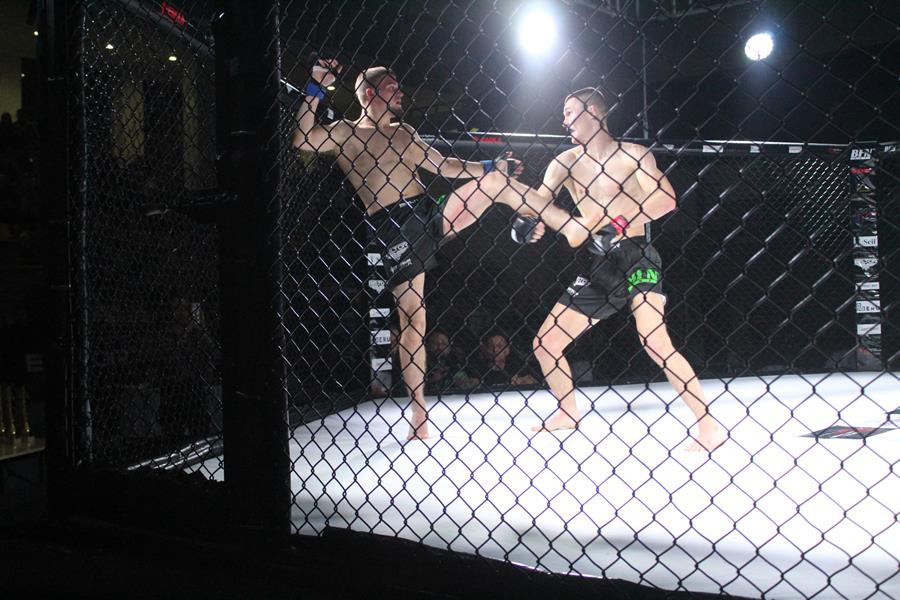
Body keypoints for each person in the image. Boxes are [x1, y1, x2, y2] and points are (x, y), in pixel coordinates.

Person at [292, 60, 543, 440]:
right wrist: (315, 87)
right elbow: (302, 139)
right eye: (392, 86)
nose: (401, 92)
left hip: (427, 212)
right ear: (370, 94)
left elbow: (443, 165)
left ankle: (536, 220)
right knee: (413, 318)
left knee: (494, 183)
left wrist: (491, 164)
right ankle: (419, 413)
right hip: (393, 228)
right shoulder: (345, 132)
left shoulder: (404, 132)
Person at [496, 88, 725, 452]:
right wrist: (526, 223)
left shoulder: (633, 154)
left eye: (569, 112)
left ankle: (707, 425)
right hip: (599, 262)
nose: (563, 121)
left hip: (636, 255)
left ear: (593, 112)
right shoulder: (564, 162)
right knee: (546, 343)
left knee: (654, 339)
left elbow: (665, 199)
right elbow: (539, 201)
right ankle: (567, 412)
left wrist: (617, 221)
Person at [464, 332, 540, 390]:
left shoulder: (519, 368)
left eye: (500, 346)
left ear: (507, 350)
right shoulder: (474, 369)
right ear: (484, 350)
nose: (495, 350)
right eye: (490, 346)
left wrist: (528, 383)